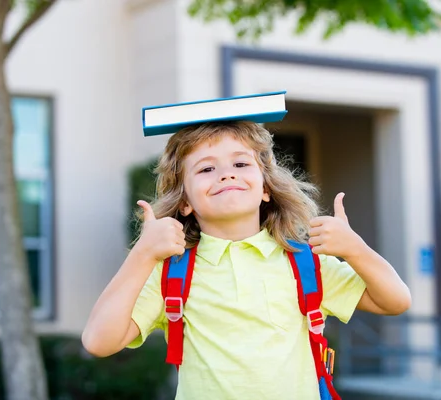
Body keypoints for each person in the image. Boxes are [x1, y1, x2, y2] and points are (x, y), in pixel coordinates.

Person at [82, 121, 411, 400]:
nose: (226, 175)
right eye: (207, 168)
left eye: (240, 164)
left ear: (266, 188)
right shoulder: (171, 271)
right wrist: (142, 254)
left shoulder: (306, 263)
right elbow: (99, 341)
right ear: (184, 202)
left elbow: (395, 301)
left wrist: (356, 249)